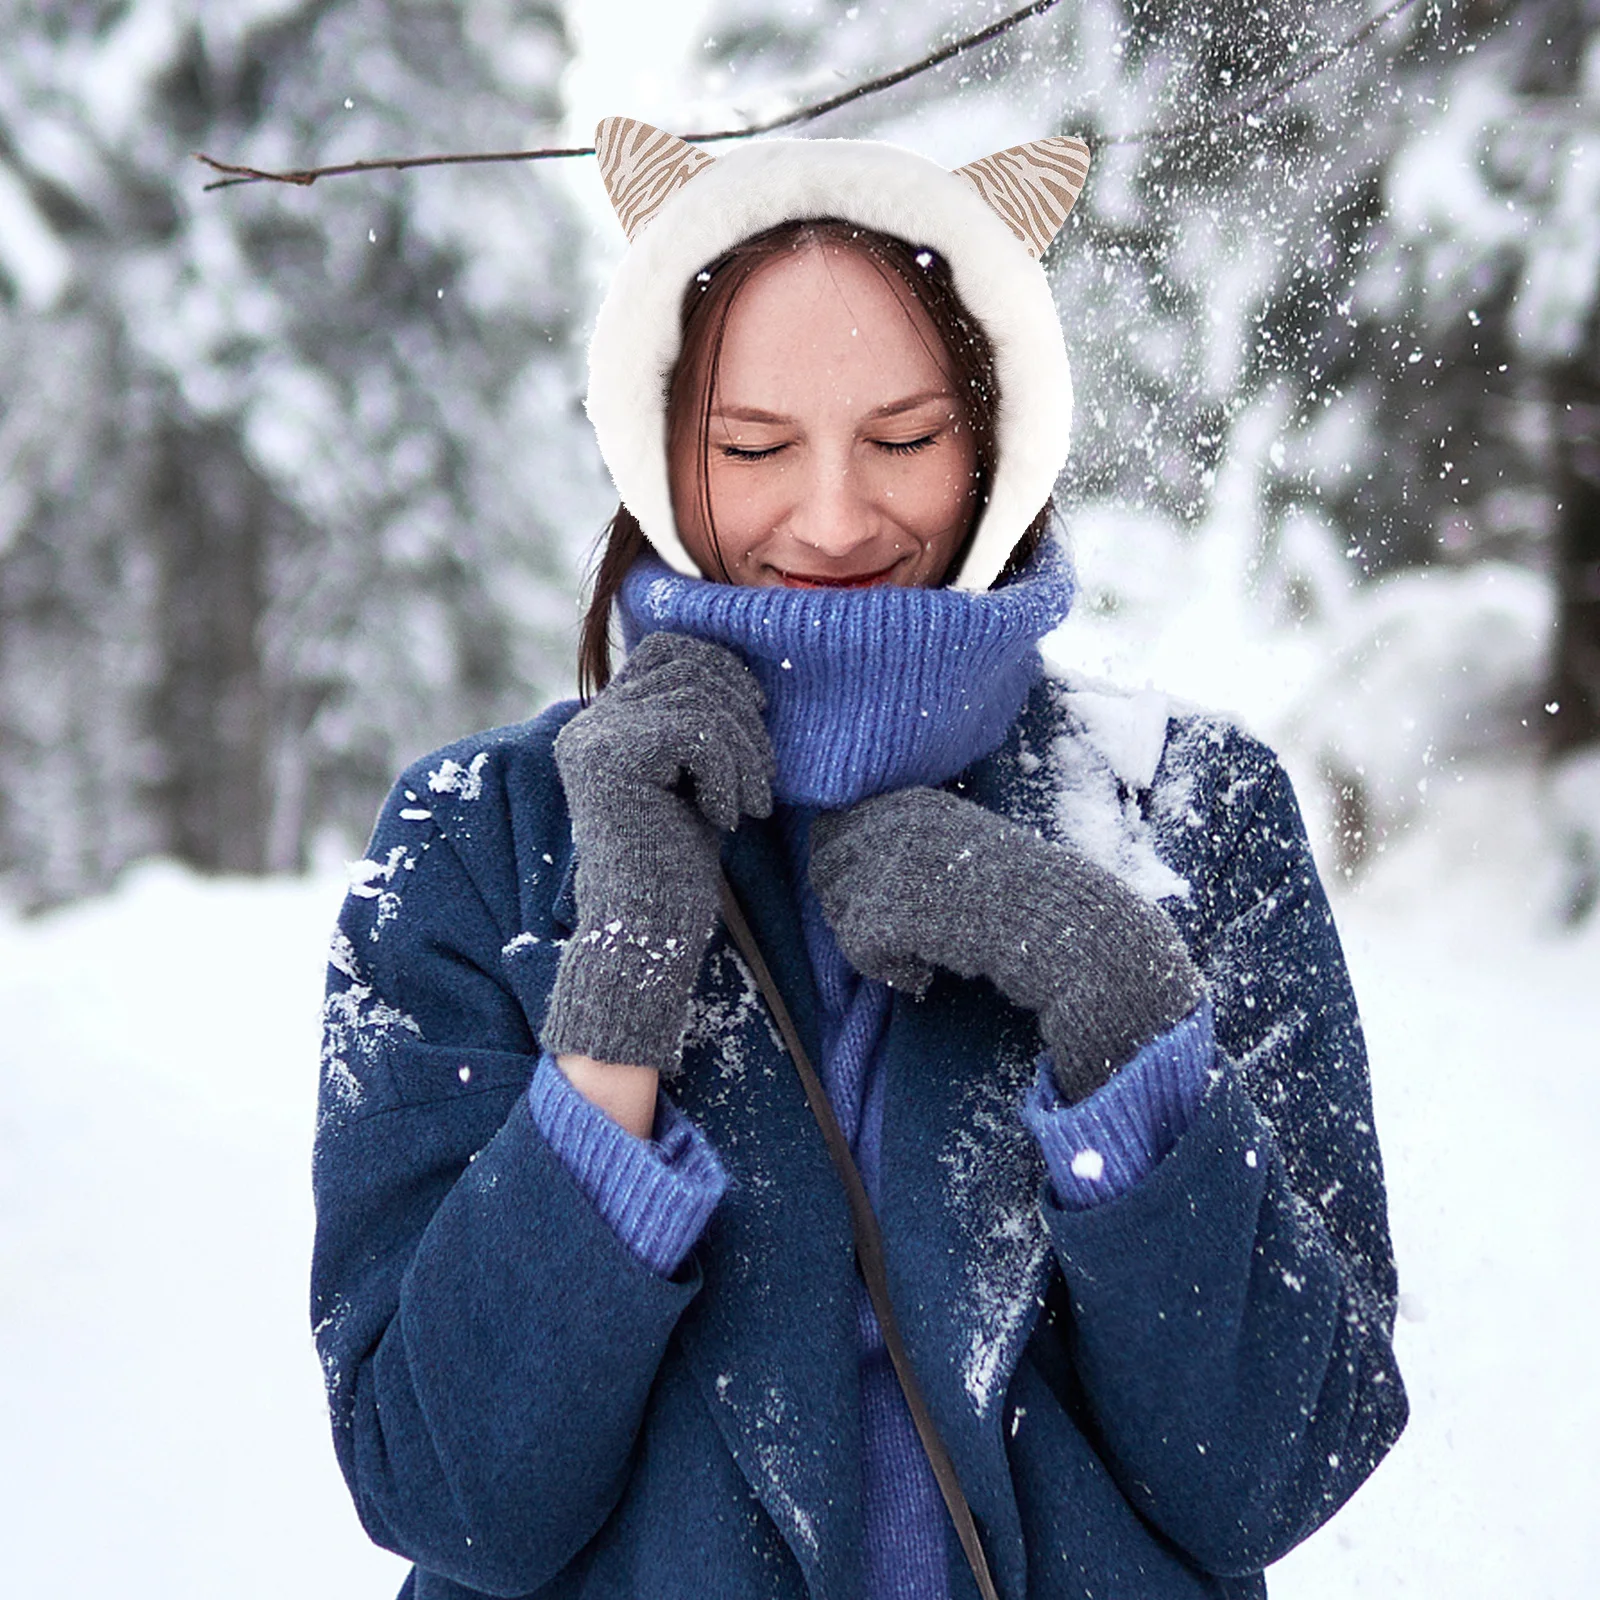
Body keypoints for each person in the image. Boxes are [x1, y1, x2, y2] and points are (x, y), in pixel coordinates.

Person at [312, 118, 1408, 1600]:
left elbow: (1277, 1468)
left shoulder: (1196, 817)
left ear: (997, 439)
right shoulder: (478, 840)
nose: (831, 518)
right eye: (753, 447)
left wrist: (1115, 998)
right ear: (656, 450)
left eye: (903, 438)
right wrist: (616, 997)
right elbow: (447, 1492)